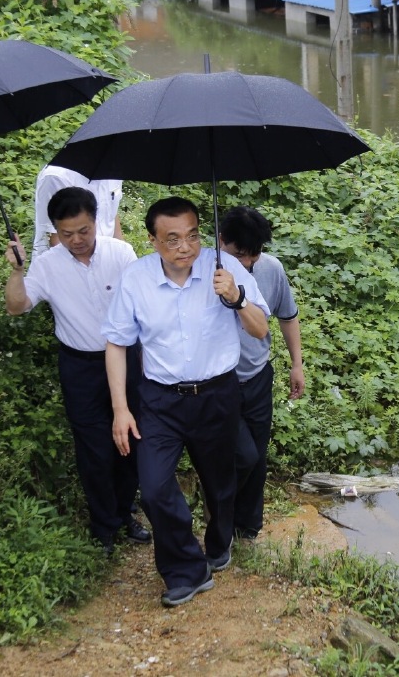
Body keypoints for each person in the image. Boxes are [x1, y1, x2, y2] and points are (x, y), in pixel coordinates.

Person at [103, 196, 271, 607]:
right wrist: (121, 409)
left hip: (217, 395)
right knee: (155, 487)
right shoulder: (136, 278)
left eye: (193, 236)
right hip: (160, 400)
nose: (186, 248)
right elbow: (116, 344)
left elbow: (260, 328)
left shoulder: (223, 268)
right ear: (153, 240)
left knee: (221, 484)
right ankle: (185, 570)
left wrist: (237, 299)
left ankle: (218, 544)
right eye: (173, 239)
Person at [4, 186, 150, 555]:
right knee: (94, 449)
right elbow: (17, 306)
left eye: (83, 231)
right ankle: (103, 527)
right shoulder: (48, 264)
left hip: (128, 359)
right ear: (55, 229)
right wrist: (17, 272)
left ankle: (123, 514)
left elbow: (144, 308)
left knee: (131, 440)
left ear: (95, 221)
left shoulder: (122, 254)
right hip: (80, 366)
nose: (77, 240)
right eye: (66, 234)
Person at [218, 207, 305, 541]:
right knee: (240, 454)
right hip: (218, 381)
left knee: (257, 455)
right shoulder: (205, 272)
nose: (248, 264)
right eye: (240, 256)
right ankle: (219, 513)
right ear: (221, 241)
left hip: (256, 376)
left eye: (254, 256)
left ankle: (247, 526)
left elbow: (287, 316)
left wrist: (296, 364)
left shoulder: (270, 269)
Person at [32, 165, 124, 260]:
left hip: (105, 261)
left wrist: (121, 255)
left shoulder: (114, 170)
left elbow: (112, 215)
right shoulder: (56, 176)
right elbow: (55, 238)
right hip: (61, 264)